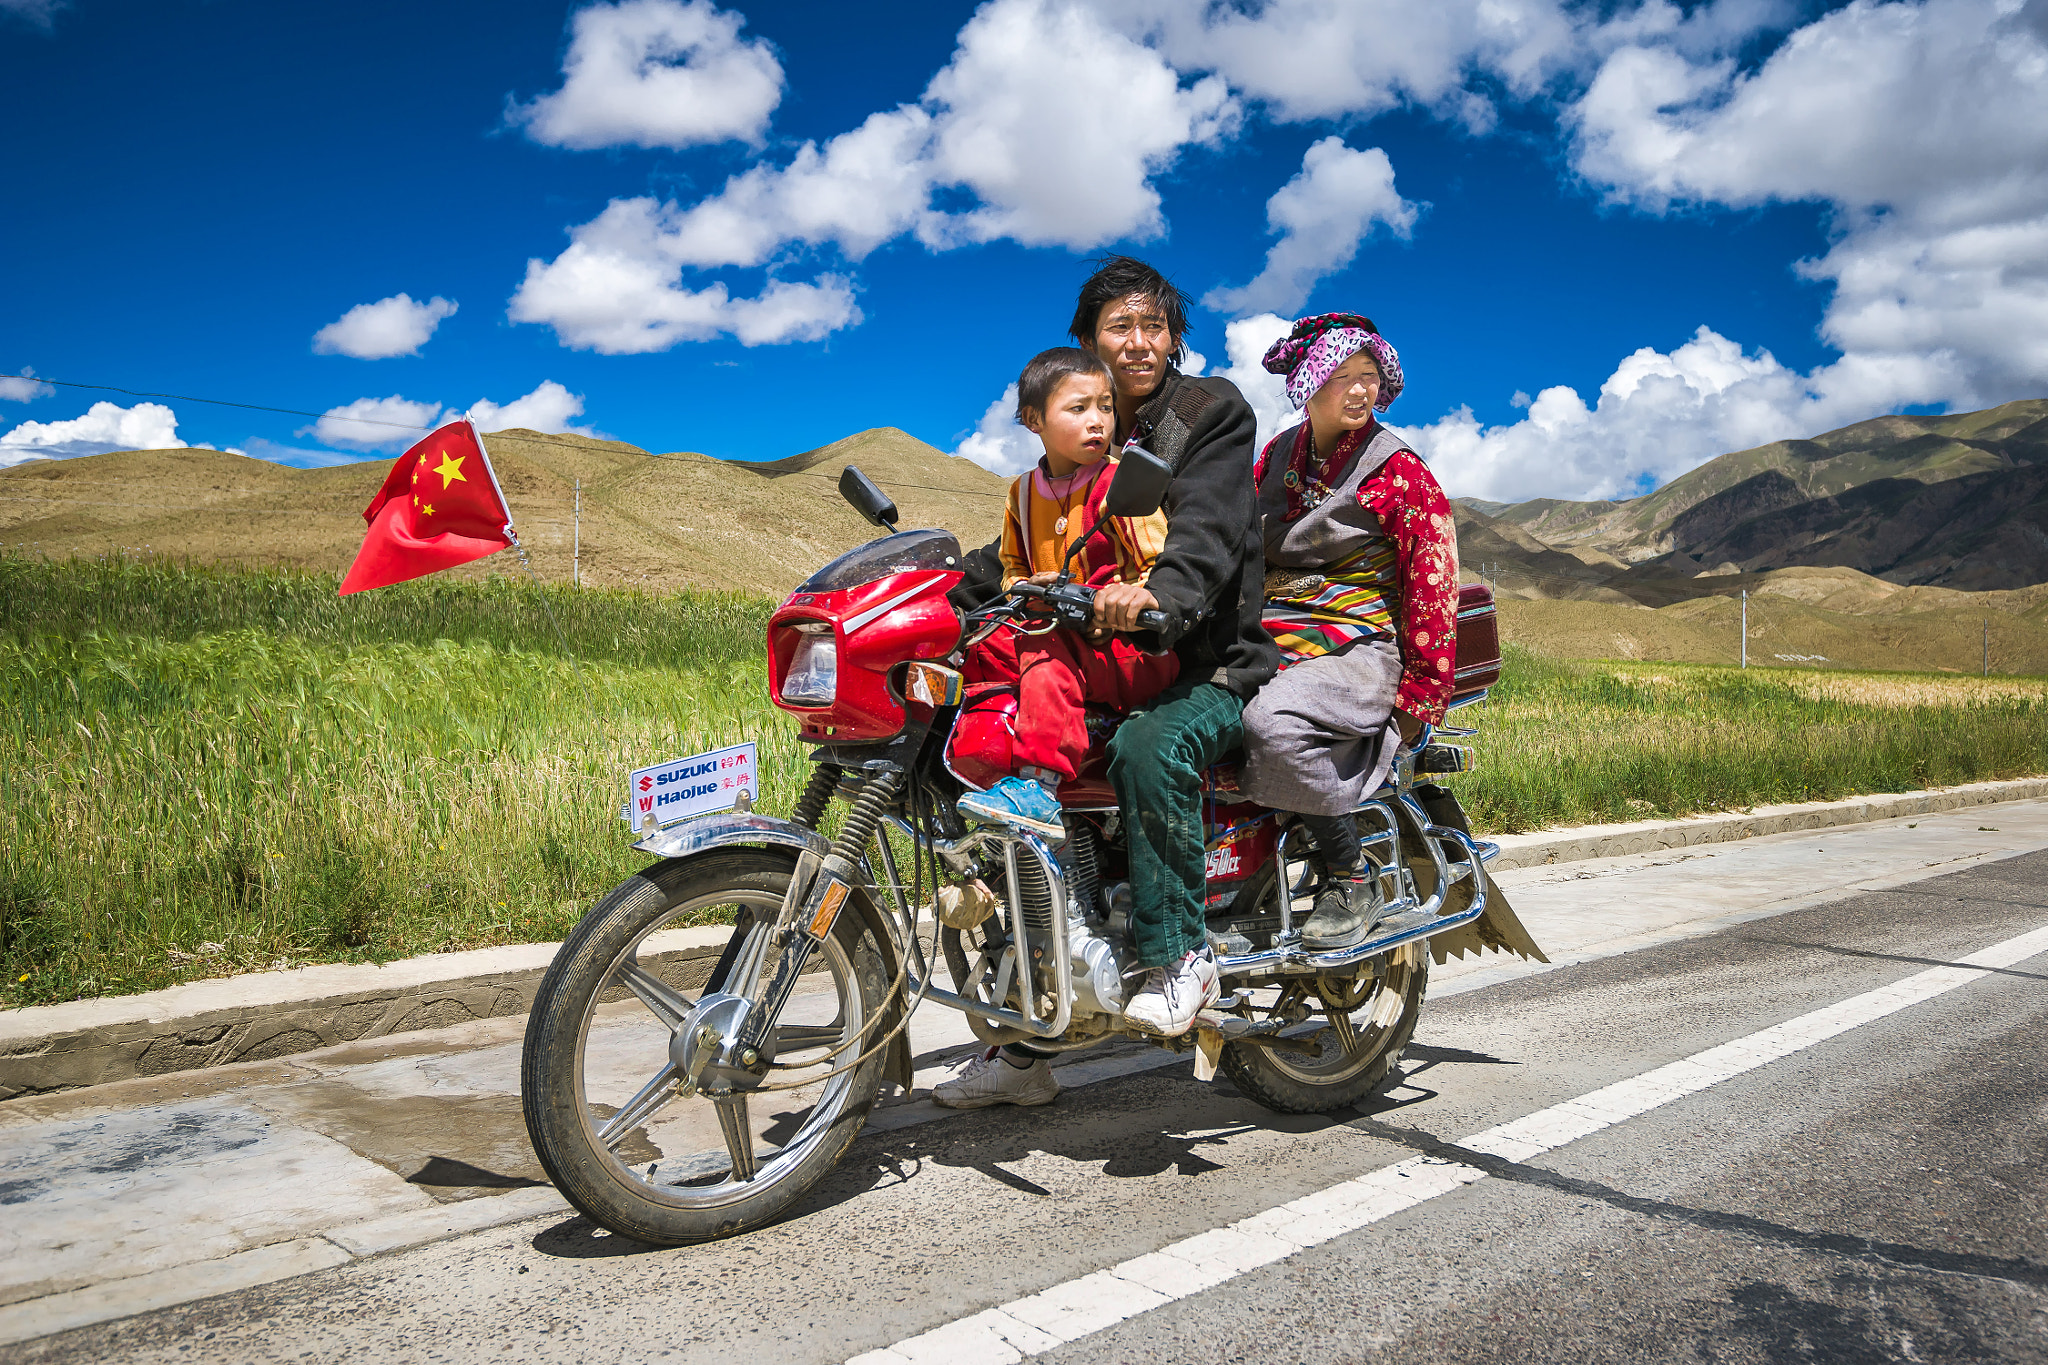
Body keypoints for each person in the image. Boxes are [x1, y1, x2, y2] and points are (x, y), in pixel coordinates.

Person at [1238, 312, 1460, 949]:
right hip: (1275, 627)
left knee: (1273, 723)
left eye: (1368, 377)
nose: (1359, 390)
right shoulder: (1278, 456)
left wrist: (1421, 697)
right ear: (1311, 382)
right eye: (1342, 377)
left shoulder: (1400, 472)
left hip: (1362, 642)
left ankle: (1349, 872)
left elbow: (1433, 583)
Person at [953, 347, 1180, 841]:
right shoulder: (1021, 492)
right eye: (1079, 409)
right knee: (980, 645)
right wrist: (1025, 589)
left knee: (1041, 649)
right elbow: (1012, 566)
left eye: (1104, 406)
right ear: (1034, 420)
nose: (1098, 421)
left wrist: (1112, 602)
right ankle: (981, 761)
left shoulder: (1120, 482)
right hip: (1061, 631)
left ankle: (1039, 782)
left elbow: (1157, 569)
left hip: (1129, 649)